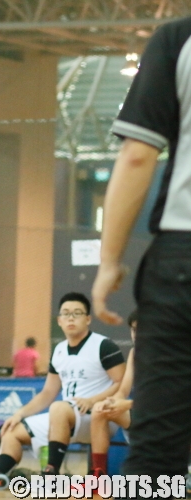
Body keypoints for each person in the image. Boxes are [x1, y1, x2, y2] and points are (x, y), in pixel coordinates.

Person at [91, 17, 191, 485]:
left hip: (182, 258)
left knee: (157, 452)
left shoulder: (177, 39)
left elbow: (137, 155)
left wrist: (109, 262)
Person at [0, 292, 125, 489]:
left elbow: (121, 383)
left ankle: (51, 473)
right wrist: (18, 414)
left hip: (98, 418)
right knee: (12, 430)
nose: (71, 317)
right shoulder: (59, 350)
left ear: (88, 319)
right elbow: (47, 392)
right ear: (59, 321)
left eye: (77, 313)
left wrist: (92, 400)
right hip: (66, 417)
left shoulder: (103, 345)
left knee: (58, 408)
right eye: (66, 313)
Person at [90, 310, 136, 477]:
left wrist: (128, 404)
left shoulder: (172, 354)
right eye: (134, 330)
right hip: (142, 414)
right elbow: (123, 390)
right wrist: (111, 402)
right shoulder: (135, 353)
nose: (137, 335)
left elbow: (169, 399)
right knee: (100, 410)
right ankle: (98, 474)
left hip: (167, 418)